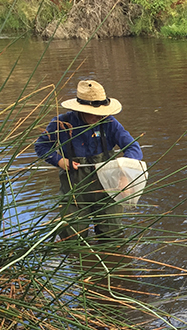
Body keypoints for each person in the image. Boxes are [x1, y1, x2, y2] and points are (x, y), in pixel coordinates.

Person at [35, 80, 143, 241]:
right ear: (80, 109)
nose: (98, 116)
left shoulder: (110, 123)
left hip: (108, 193)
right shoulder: (61, 123)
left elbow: (134, 149)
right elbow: (41, 147)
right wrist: (60, 161)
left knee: (113, 239)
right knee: (71, 239)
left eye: (101, 112)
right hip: (74, 193)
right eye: (93, 112)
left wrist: (123, 174)